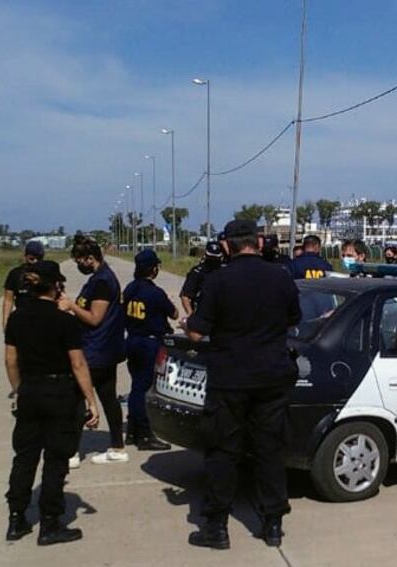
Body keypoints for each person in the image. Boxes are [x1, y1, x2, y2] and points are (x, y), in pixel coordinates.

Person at [186, 219, 301, 550]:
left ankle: (217, 527)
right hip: (273, 377)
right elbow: (294, 318)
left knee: (223, 451)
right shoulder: (280, 277)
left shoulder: (218, 280)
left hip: (230, 379)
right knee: (269, 450)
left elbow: (195, 332)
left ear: (226, 246)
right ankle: (273, 523)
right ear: (259, 242)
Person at [4, 260, 100, 545]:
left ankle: (16, 518)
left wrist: (18, 390)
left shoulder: (18, 318)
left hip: (30, 390)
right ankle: (50, 523)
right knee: (56, 461)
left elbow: (11, 359)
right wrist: (90, 400)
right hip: (59, 392)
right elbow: (78, 363)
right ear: (55, 285)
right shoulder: (65, 321)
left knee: (24, 457)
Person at [59, 234, 127, 466]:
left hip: (96, 350)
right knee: (108, 397)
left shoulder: (102, 282)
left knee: (77, 399)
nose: (78, 266)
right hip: (102, 348)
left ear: (90, 258)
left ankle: (71, 453)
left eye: (79, 261)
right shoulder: (99, 278)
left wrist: (70, 306)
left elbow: (95, 318)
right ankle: (117, 447)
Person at [123, 249, 176, 451]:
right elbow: (174, 313)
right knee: (143, 389)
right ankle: (145, 434)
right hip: (149, 343)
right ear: (153, 269)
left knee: (137, 385)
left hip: (132, 340)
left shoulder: (129, 289)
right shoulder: (155, 292)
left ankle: (133, 430)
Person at [2, 241, 45, 327]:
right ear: (25, 257)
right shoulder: (15, 274)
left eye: (38, 259)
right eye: (32, 259)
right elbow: (8, 300)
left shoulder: (48, 273)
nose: (35, 262)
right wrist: (6, 321)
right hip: (22, 319)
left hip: (44, 319)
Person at [180, 240, 224, 316]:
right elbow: (185, 296)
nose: (213, 262)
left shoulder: (225, 271)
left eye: (215, 258)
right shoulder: (197, 272)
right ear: (206, 255)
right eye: (211, 258)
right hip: (202, 314)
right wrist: (191, 316)